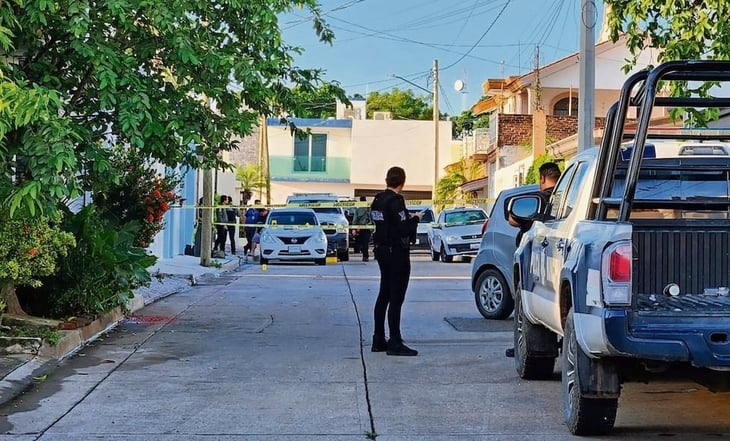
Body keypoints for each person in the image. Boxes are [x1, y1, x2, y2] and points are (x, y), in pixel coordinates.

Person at [505, 161, 561, 358]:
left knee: (524, 303)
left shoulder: (539, 198)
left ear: (543, 179)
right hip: (557, 263)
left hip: (533, 258)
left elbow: (515, 218)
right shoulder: (565, 197)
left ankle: (525, 345)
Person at [371, 166, 423, 357]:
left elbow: (386, 222)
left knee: (384, 293)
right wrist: (415, 219)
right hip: (396, 253)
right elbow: (403, 229)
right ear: (403, 181)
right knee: (396, 298)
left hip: (381, 251)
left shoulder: (378, 199)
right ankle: (394, 341)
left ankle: (378, 338)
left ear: (387, 180)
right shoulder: (396, 200)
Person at [352, 196, 372, 262]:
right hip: (368, 228)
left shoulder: (358, 210)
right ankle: (365, 256)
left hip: (360, 228)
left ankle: (364, 255)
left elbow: (355, 220)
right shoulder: (369, 209)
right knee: (366, 243)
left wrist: (353, 229)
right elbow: (372, 219)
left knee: (361, 243)